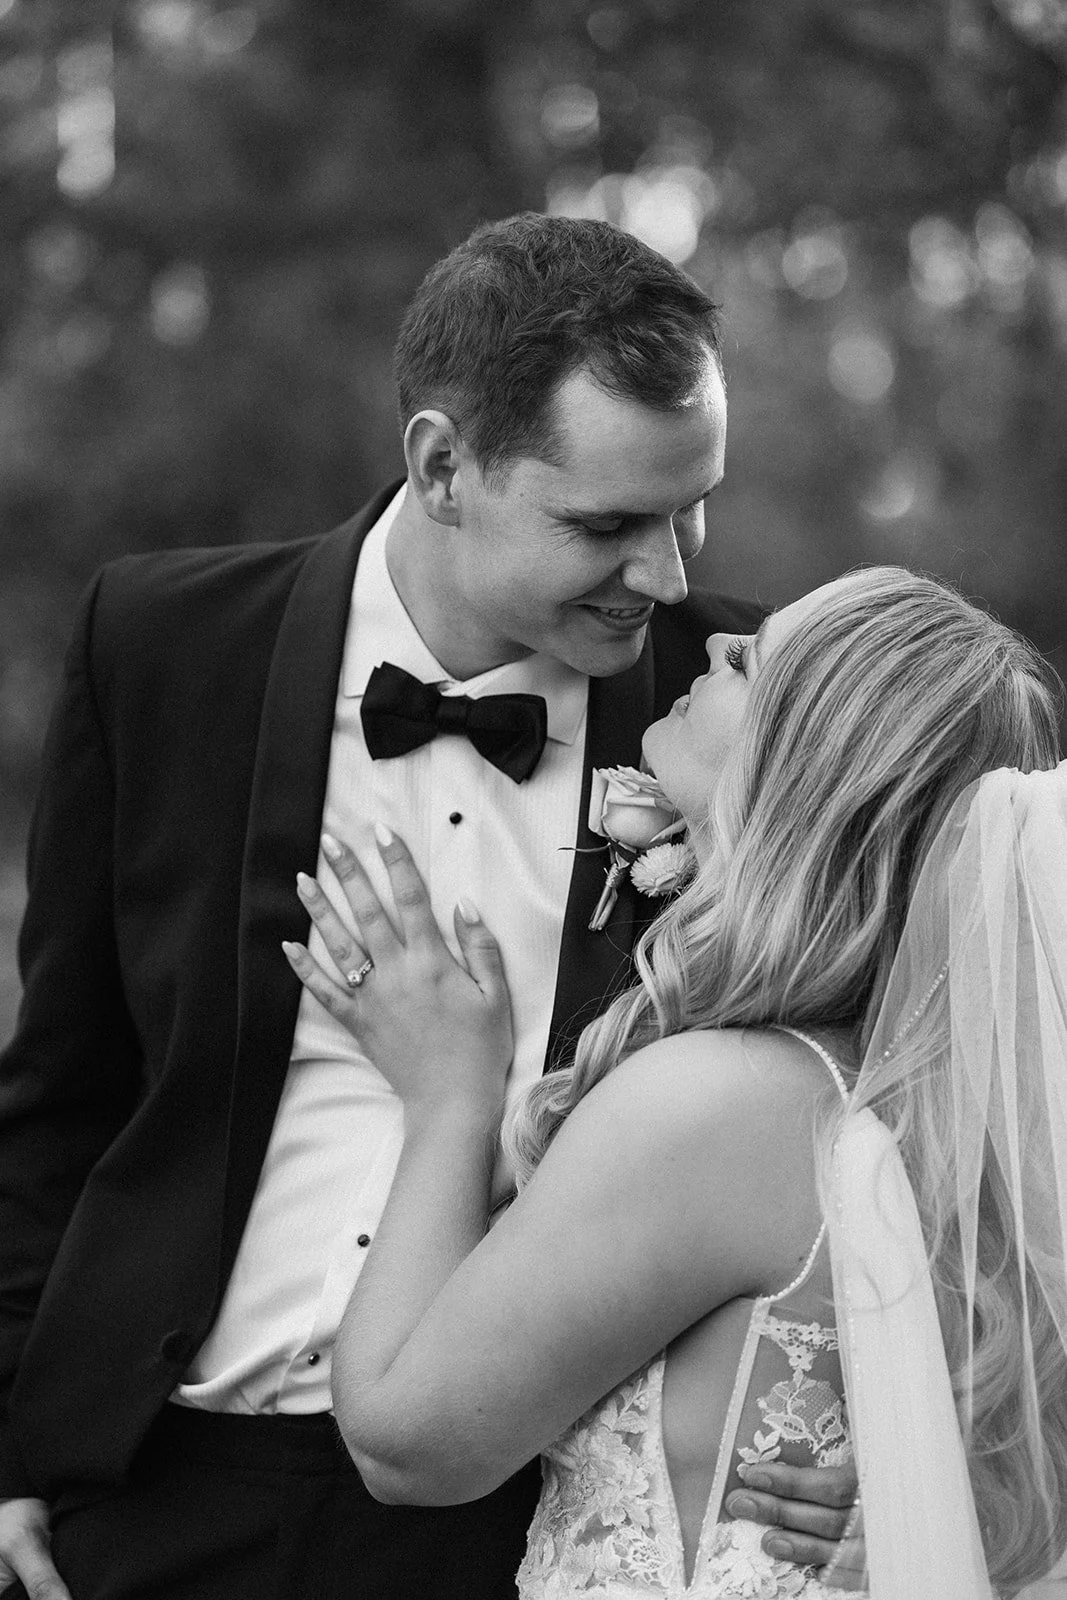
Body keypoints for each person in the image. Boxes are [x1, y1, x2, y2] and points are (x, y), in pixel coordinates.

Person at [0, 215, 853, 1600]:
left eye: (689, 508)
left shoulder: (748, 710)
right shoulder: (159, 648)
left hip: (525, 1510)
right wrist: (10, 1441)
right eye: (607, 524)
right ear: (442, 464)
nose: (668, 576)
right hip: (150, 1491)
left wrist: (869, 1421)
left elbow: (886, 1118)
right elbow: (62, 1091)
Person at [283, 565, 1067, 1598]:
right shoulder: (942, 1110)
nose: (708, 645)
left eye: (747, 661)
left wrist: (446, 1099)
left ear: (806, 762)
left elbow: (406, 1441)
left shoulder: (720, 1104)